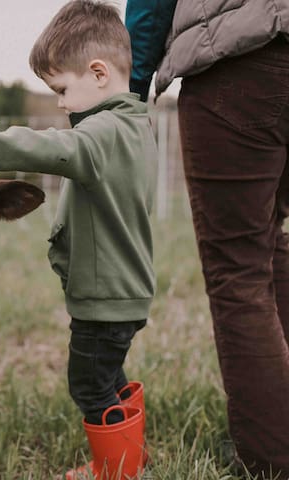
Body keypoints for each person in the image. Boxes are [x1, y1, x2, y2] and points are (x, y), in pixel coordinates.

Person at [0, 1, 156, 478]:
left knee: (89, 386)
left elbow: (53, 148)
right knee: (109, 377)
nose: (59, 103)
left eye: (61, 90)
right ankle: (131, 457)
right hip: (125, 293)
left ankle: (114, 470)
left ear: (97, 73)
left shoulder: (102, 132)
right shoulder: (135, 126)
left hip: (103, 299)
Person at [126, 1, 289, 477]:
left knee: (238, 271)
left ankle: (272, 462)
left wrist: (130, 97)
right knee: (268, 238)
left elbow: (152, 7)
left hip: (239, 60)